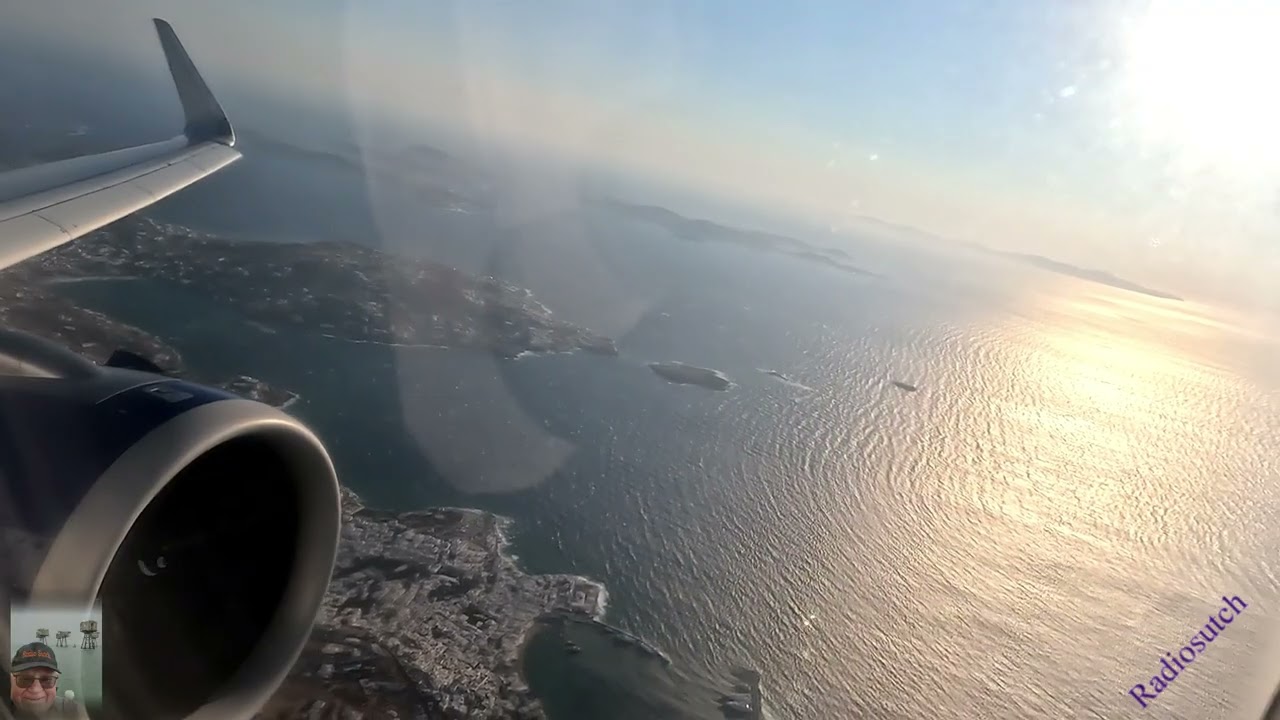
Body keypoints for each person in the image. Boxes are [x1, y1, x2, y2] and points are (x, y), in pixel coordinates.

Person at [5, 643, 86, 719]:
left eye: (47, 680)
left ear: (55, 684)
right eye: (25, 679)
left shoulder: (73, 712)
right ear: (10, 682)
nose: (36, 690)